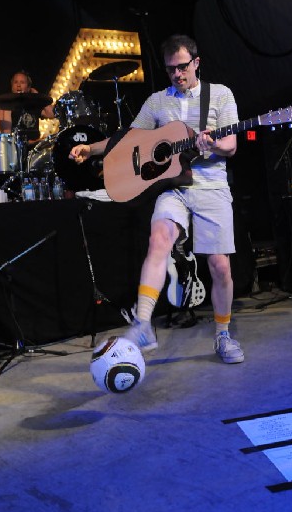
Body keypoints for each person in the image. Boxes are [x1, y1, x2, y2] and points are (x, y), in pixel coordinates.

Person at [69, 34, 244, 364]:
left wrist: (212, 145)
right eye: (170, 70)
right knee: (159, 239)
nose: (177, 74)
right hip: (174, 188)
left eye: (182, 67)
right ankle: (143, 324)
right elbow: (127, 141)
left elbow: (232, 144)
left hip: (211, 186)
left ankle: (222, 335)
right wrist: (90, 149)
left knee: (220, 266)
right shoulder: (157, 102)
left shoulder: (219, 95)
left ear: (196, 62)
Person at [0, 70, 55, 145]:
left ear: (28, 88)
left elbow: (52, 114)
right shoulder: (6, 107)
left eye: (22, 82)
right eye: (15, 82)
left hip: (35, 149)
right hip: (17, 148)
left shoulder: (33, 104)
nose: (18, 85)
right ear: (12, 86)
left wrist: (37, 95)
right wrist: (29, 143)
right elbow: (7, 137)